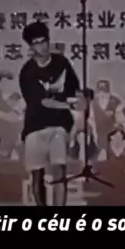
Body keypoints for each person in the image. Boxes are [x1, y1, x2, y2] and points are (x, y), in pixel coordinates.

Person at [19, 21, 81, 206]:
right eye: (37, 43)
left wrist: (80, 99)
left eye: (44, 41)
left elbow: (74, 88)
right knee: (37, 174)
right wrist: (68, 106)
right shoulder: (27, 72)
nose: (42, 46)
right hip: (35, 127)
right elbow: (44, 102)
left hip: (59, 126)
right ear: (31, 47)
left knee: (59, 170)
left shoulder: (62, 63)